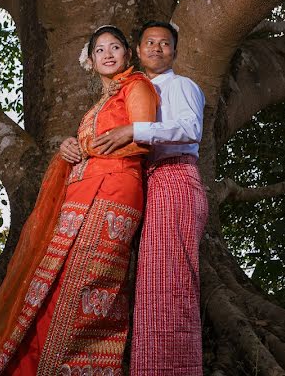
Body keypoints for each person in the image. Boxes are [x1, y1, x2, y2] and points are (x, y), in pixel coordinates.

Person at [0, 25, 158, 376]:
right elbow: (93, 144)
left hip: (114, 193)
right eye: (100, 50)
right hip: (80, 196)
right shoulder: (96, 106)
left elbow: (146, 139)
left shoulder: (137, 86)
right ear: (91, 61)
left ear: (128, 54)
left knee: (86, 287)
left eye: (116, 47)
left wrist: (82, 148)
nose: (109, 54)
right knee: (54, 283)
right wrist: (67, 148)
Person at [61, 20, 207, 375]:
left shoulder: (180, 86)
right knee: (149, 288)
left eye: (166, 44)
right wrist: (72, 146)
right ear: (138, 52)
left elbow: (191, 129)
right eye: (150, 43)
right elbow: (104, 140)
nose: (157, 49)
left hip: (175, 176)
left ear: (175, 51)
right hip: (147, 185)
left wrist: (135, 129)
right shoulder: (128, 94)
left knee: (170, 286)